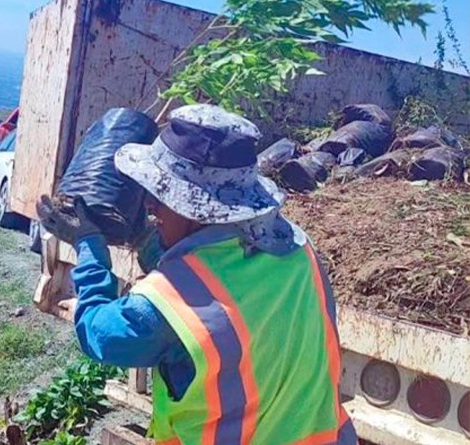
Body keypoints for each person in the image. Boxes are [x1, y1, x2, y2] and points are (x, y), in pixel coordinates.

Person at [37, 105, 358, 445]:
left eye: (162, 195)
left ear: (196, 205)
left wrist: (89, 245)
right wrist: (147, 239)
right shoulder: (295, 248)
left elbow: (101, 336)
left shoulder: (173, 301)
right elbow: (221, 272)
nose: (150, 206)